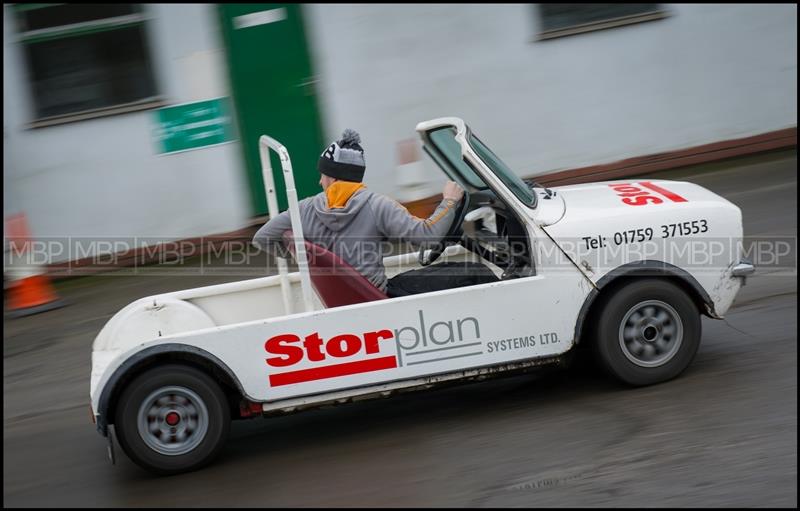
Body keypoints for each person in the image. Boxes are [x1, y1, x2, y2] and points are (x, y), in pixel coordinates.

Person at [252, 129, 498, 298]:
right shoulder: (377, 204)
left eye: (322, 175)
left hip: (348, 300)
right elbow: (428, 237)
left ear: (335, 177)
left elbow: (262, 238)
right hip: (379, 296)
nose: (319, 181)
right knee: (476, 271)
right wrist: (449, 201)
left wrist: (306, 258)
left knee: (454, 269)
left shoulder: (303, 209)